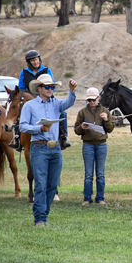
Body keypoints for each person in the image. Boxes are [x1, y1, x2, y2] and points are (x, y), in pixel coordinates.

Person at [19, 73, 77, 227]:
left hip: (55, 148)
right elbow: (22, 126)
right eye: (48, 87)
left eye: (52, 87)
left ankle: (44, 214)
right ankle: (39, 219)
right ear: (39, 89)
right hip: (38, 147)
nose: (51, 89)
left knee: (52, 185)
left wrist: (72, 91)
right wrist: (40, 128)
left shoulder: (56, 103)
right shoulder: (29, 105)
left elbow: (69, 102)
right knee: (40, 184)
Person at [17, 50, 70, 150]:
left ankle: (64, 137)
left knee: (63, 113)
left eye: (36, 59)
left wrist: (46, 92)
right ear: (29, 62)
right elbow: (21, 87)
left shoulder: (46, 70)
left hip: (46, 95)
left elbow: (51, 83)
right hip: (30, 98)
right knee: (18, 113)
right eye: (33, 60)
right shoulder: (24, 72)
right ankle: (17, 138)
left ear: (39, 59)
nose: (35, 62)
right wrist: (30, 96)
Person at [74, 87, 115, 206]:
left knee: (100, 174)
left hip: (101, 145)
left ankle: (100, 197)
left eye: (93, 100)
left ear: (98, 98)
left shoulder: (105, 111)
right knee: (88, 174)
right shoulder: (82, 112)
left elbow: (110, 129)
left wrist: (106, 120)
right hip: (88, 145)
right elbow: (76, 130)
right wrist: (82, 127)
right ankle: (87, 198)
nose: (91, 102)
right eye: (89, 100)